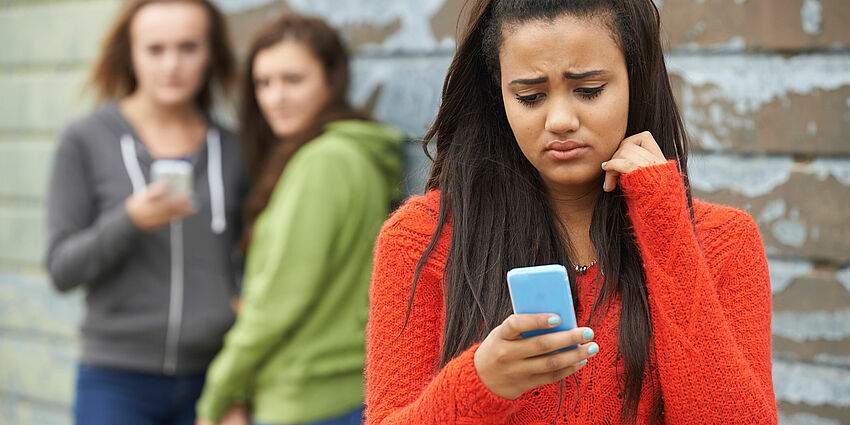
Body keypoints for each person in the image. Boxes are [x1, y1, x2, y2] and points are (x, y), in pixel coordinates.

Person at [365, 0, 777, 423]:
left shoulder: (723, 241)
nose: (560, 119)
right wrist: (480, 383)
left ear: (635, 78)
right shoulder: (421, 239)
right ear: (498, 90)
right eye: (530, 96)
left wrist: (665, 224)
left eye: (589, 90)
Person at [195, 14, 404, 425]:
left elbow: (278, 302)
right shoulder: (355, 153)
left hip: (308, 400)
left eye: (292, 79)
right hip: (341, 391)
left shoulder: (323, 162)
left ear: (331, 80)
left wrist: (218, 396)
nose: (275, 98)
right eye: (263, 83)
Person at [45, 1, 247, 424]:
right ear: (131, 54)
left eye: (188, 47)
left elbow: (251, 261)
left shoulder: (233, 147)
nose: (171, 65)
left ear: (210, 53)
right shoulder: (84, 139)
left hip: (213, 378)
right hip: (117, 382)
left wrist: (237, 379)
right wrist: (129, 220)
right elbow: (62, 268)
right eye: (155, 49)